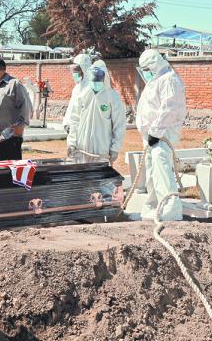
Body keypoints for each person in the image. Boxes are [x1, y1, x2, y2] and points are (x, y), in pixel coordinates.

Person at [135, 49, 186, 222]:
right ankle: (154, 204)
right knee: (152, 171)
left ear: (154, 65)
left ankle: (171, 207)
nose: (145, 72)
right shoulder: (155, 80)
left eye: (146, 68)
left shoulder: (169, 79)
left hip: (163, 134)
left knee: (162, 169)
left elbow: (169, 109)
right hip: (151, 135)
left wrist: (155, 132)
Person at [67, 60, 126, 164]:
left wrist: (115, 148)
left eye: (98, 80)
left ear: (104, 78)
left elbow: (119, 124)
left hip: (102, 149)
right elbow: (75, 120)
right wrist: (71, 143)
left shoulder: (112, 97)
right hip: (82, 148)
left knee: (100, 178)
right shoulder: (83, 95)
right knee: (82, 177)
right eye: (93, 80)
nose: (95, 83)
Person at [0, 57, 32, 161]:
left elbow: (27, 106)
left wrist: (20, 126)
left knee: (7, 172)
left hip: (9, 139)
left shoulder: (13, 84)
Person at [62, 53, 92, 134]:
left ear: (84, 70)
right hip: (72, 130)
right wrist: (66, 123)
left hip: (85, 131)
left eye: (76, 70)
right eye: (73, 71)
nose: (74, 74)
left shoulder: (91, 88)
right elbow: (71, 107)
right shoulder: (77, 88)